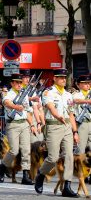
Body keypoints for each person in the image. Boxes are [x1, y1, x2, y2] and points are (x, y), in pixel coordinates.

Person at [35, 69, 79, 197]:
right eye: (60, 77)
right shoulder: (48, 92)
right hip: (54, 126)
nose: (63, 80)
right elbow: (50, 107)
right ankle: (41, 174)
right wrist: (57, 116)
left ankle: (67, 186)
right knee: (53, 157)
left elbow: (71, 114)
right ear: (54, 78)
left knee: (69, 155)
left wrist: (75, 131)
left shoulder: (68, 95)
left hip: (67, 127)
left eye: (65, 77)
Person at [0, 73, 35, 185]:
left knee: (26, 150)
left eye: (20, 82)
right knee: (14, 150)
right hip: (12, 124)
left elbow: (27, 111)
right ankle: (2, 166)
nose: (19, 84)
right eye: (16, 82)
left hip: (24, 124)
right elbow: (6, 103)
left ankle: (25, 175)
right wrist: (15, 107)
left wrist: (32, 125)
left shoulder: (24, 94)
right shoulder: (9, 94)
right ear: (12, 83)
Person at [73, 74, 91, 154]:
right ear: (79, 84)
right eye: (85, 83)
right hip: (82, 123)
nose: (87, 85)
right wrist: (87, 101)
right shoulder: (75, 94)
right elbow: (75, 100)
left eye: (88, 83)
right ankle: (77, 165)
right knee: (81, 149)